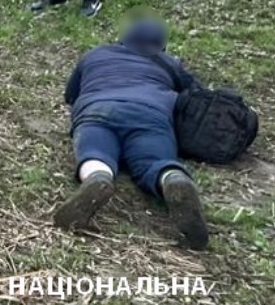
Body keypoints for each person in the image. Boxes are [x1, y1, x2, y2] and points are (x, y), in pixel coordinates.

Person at [53, 19, 208, 249]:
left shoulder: (96, 54)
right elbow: (196, 97)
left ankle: (98, 177)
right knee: (155, 161)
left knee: (95, 152)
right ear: (161, 45)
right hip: (151, 115)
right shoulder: (169, 63)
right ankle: (172, 178)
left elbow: (70, 94)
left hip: (97, 109)